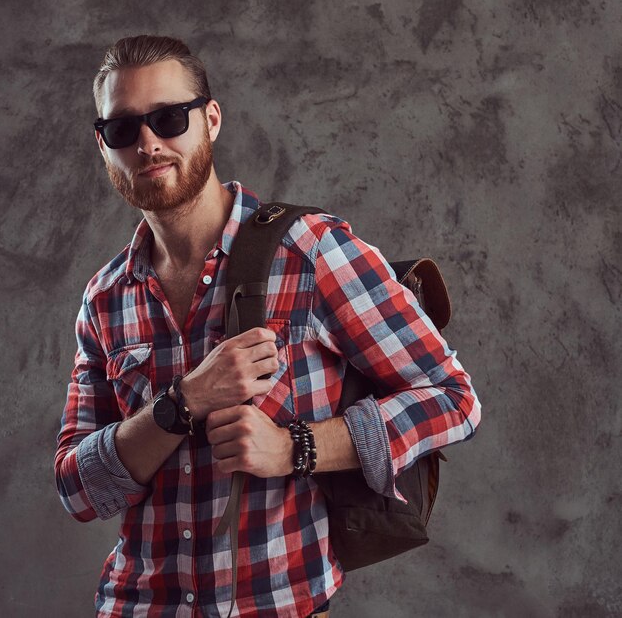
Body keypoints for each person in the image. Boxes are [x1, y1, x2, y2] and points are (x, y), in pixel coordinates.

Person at [55, 35, 481, 618]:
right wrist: (182, 403)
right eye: (124, 129)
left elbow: (454, 399)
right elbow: (78, 487)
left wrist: (295, 447)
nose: (149, 143)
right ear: (104, 145)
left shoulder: (311, 252)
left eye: (169, 118)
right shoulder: (105, 298)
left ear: (210, 119)